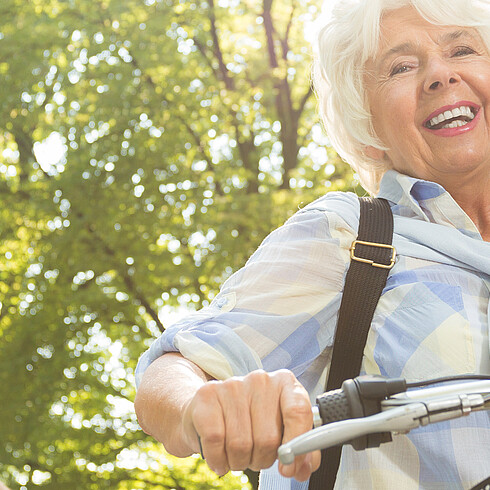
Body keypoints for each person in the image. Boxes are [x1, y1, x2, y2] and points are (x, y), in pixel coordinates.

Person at [134, 0, 490, 488]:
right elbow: (176, 371)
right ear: (369, 131)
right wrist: (202, 407)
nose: (439, 75)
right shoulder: (350, 234)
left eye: (463, 49)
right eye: (401, 67)